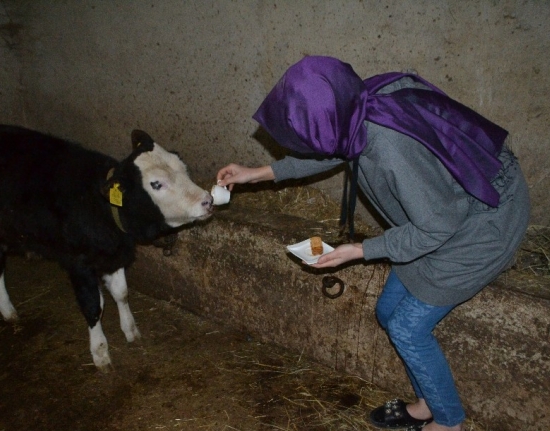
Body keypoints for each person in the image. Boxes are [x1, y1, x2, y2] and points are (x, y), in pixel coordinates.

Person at [216, 56, 530, 431]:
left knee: (407, 329)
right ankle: (429, 402)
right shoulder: (358, 106)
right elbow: (331, 149)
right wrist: (258, 174)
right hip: (446, 210)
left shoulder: (389, 149)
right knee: (388, 312)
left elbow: (437, 225)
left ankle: (448, 423)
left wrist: (361, 250)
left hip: (482, 224)